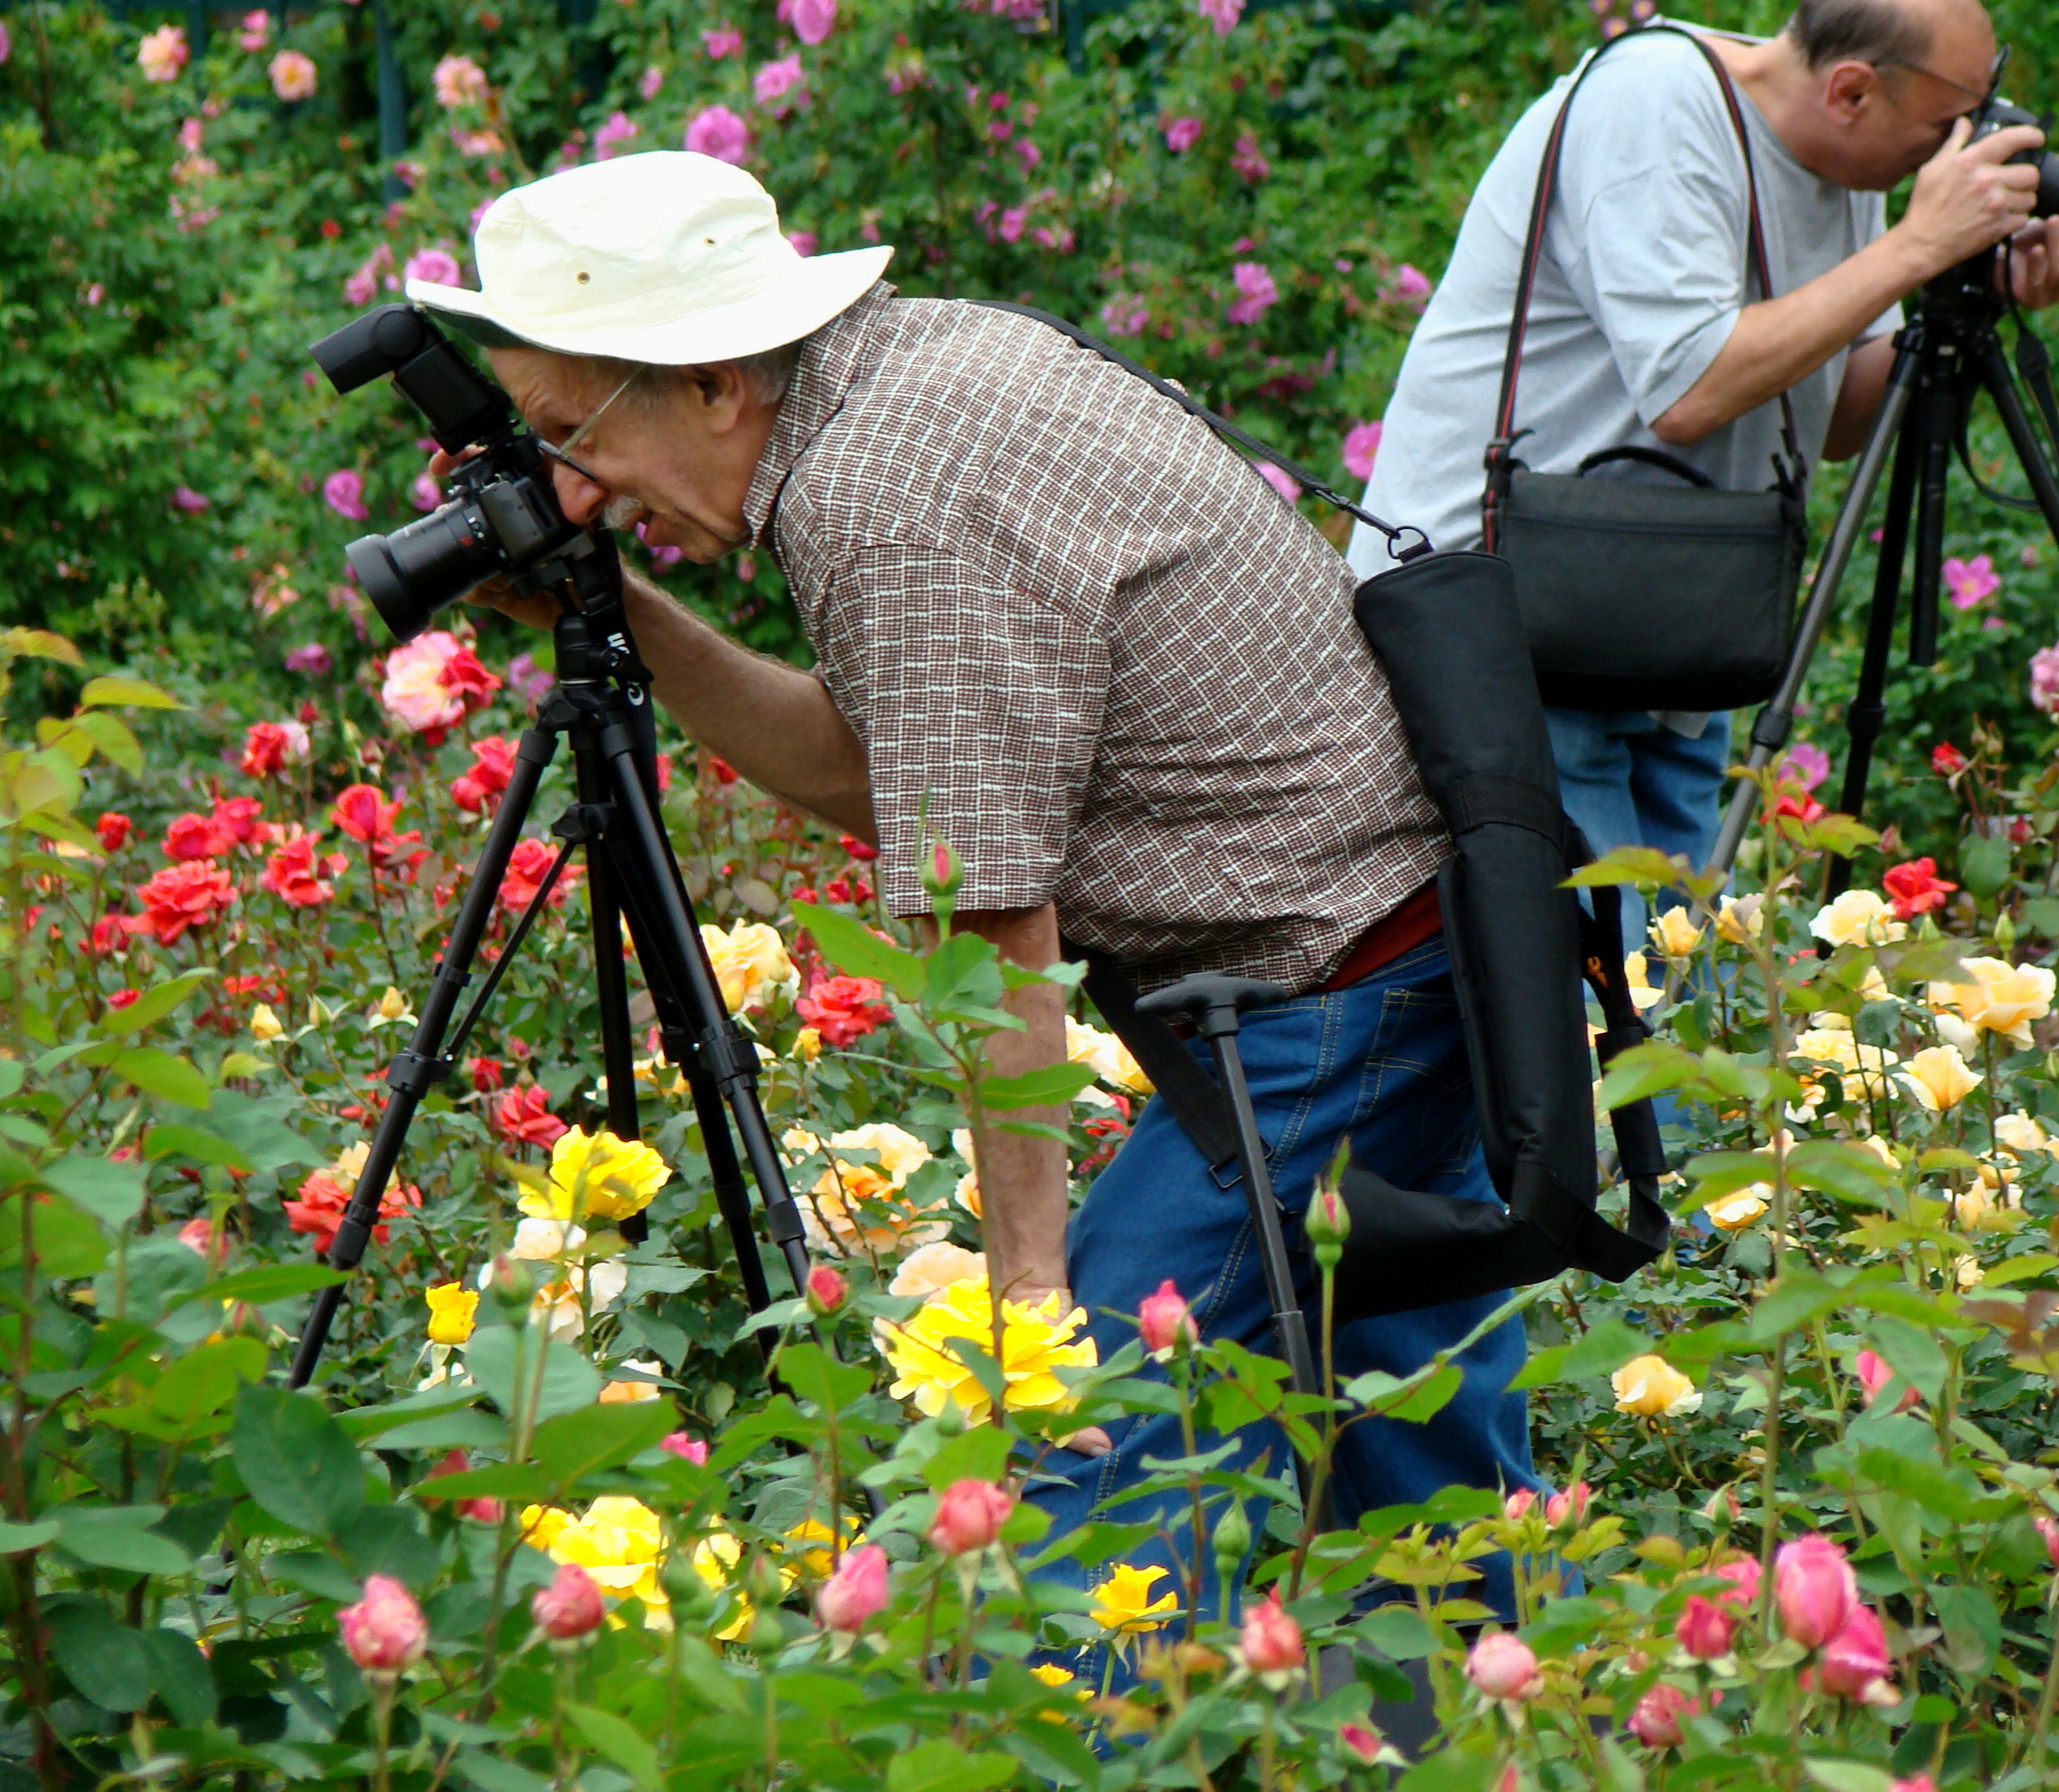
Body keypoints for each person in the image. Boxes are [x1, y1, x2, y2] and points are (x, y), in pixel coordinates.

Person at [410, 147, 1545, 1620]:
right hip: (1401, 951)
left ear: (711, 384)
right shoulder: (910, 372)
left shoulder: (890, 496)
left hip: (1327, 995)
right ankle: (1490, 1742)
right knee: (1418, 1476)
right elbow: (873, 771)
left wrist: (1027, 1298)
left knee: (1090, 1446)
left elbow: (984, 915)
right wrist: (618, 606)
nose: (568, 482)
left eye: (576, 429)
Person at [1346, 0, 2059, 999]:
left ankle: (1686, 1166)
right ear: (1851, 88)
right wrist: (1914, 247)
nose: (1958, 155)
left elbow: (1841, 413)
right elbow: (1691, 386)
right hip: (1512, 607)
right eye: (1947, 127)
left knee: (1679, 991)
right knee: (1618, 1005)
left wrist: (1978, 286)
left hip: (1666, 608)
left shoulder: (1842, 161)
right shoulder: (1658, 115)